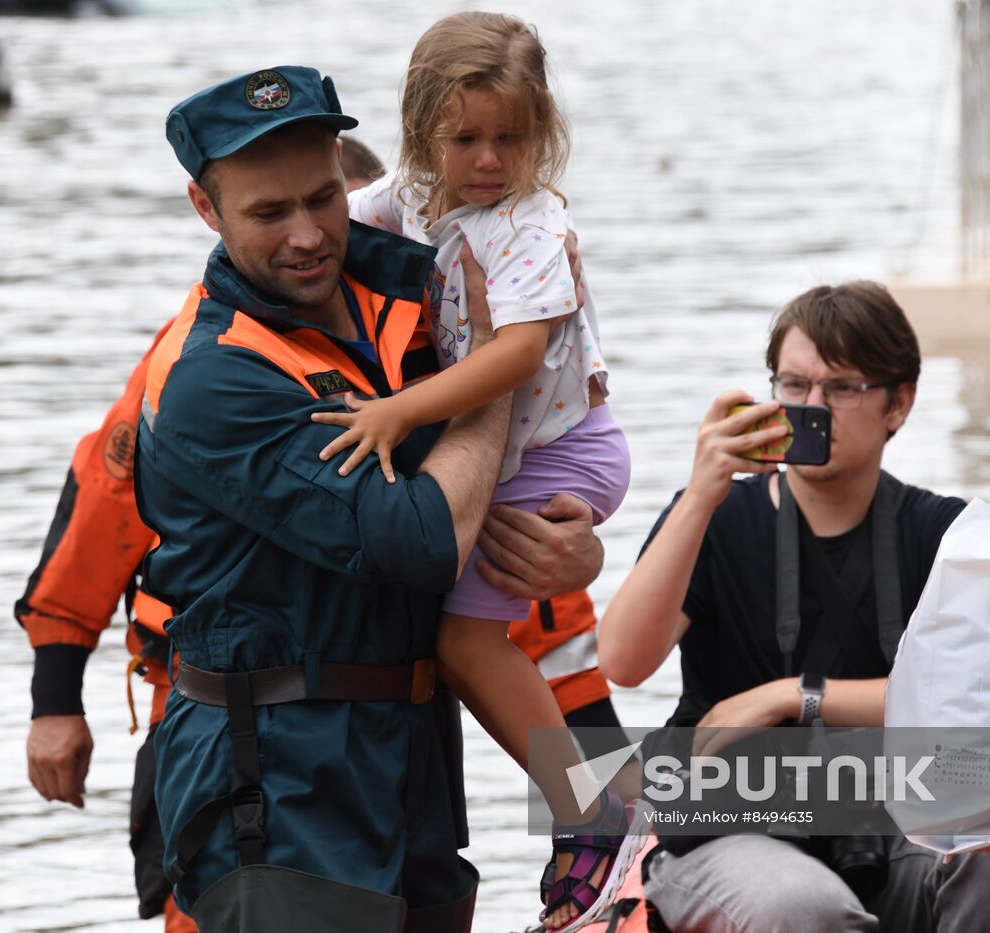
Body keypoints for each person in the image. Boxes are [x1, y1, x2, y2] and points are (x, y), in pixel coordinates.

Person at [16, 134, 622, 930]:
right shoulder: (206, 367)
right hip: (243, 737)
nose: (312, 241)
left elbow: (497, 542)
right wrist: (55, 697)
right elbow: (99, 512)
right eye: (273, 214)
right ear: (213, 212)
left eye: (327, 208)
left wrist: (570, 552)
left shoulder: (424, 337)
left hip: (402, 749)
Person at [599, 282, 990, 932]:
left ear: (899, 403)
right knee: (803, 906)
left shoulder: (944, 534)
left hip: (894, 821)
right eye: (794, 385)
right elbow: (623, 661)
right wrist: (700, 493)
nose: (813, 408)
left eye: (841, 388)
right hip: (732, 825)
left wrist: (793, 696)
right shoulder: (714, 519)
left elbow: (977, 702)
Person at [336, 14, 635, 929]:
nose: (490, 160)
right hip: (506, 452)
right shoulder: (408, 199)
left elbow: (517, 353)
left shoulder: (531, 222)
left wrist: (398, 411)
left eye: (511, 137)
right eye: (465, 139)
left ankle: (591, 810)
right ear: (421, 131)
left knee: (466, 641)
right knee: (460, 634)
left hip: (560, 447)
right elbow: (334, 223)